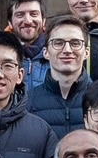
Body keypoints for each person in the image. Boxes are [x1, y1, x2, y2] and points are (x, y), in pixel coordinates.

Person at [28, 14, 91, 143]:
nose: (67, 50)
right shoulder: (28, 103)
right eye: (58, 43)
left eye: (75, 43)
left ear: (86, 52)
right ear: (45, 52)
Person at [6, 0, 49, 92]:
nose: (28, 21)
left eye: (33, 14)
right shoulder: (0, 58)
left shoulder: (57, 56)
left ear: (43, 21)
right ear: (10, 23)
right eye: (20, 15)